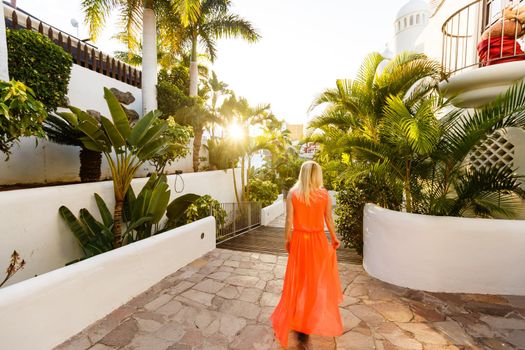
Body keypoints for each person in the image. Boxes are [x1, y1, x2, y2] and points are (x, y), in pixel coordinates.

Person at [271, 161, 343, 349]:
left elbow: (288, 220)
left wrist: (287, 240)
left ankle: (297, 317)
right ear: (316, 175)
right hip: (318, 241)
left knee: (298, 280)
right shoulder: (324, 194)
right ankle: (309, 317)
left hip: (299, 241)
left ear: (302, 174)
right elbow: (328, 219)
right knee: (316, 280)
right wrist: (334, 238)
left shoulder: (293, 195)